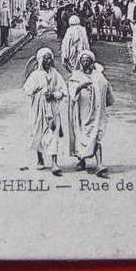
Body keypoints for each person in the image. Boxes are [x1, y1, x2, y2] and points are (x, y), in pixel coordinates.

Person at [68, 50, 114, 177]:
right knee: (82, 134)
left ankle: (99, 164)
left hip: (97, 111)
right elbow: (72, 93)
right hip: (82, 110)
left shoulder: (98, 76)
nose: (85, 62)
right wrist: (80, 87)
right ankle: (81, 160)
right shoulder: (76, 76)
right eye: (83, 60)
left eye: (88, 60)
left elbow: (106, 87)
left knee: (96, 135)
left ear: (92, 62)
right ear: (80, 62)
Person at [23, 47, 67, 176]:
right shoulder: (35, 75)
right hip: (38, 108)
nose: (48, 61)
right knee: (38, 132)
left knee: (53, 134)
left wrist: (54, 95)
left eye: (50, 58)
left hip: (52, 110)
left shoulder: (55, 74)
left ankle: (54, 163)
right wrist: (39, 91)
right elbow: (27, 89)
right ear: (41, 60)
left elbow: (63, 91)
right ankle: (40, 159)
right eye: (45, 58)